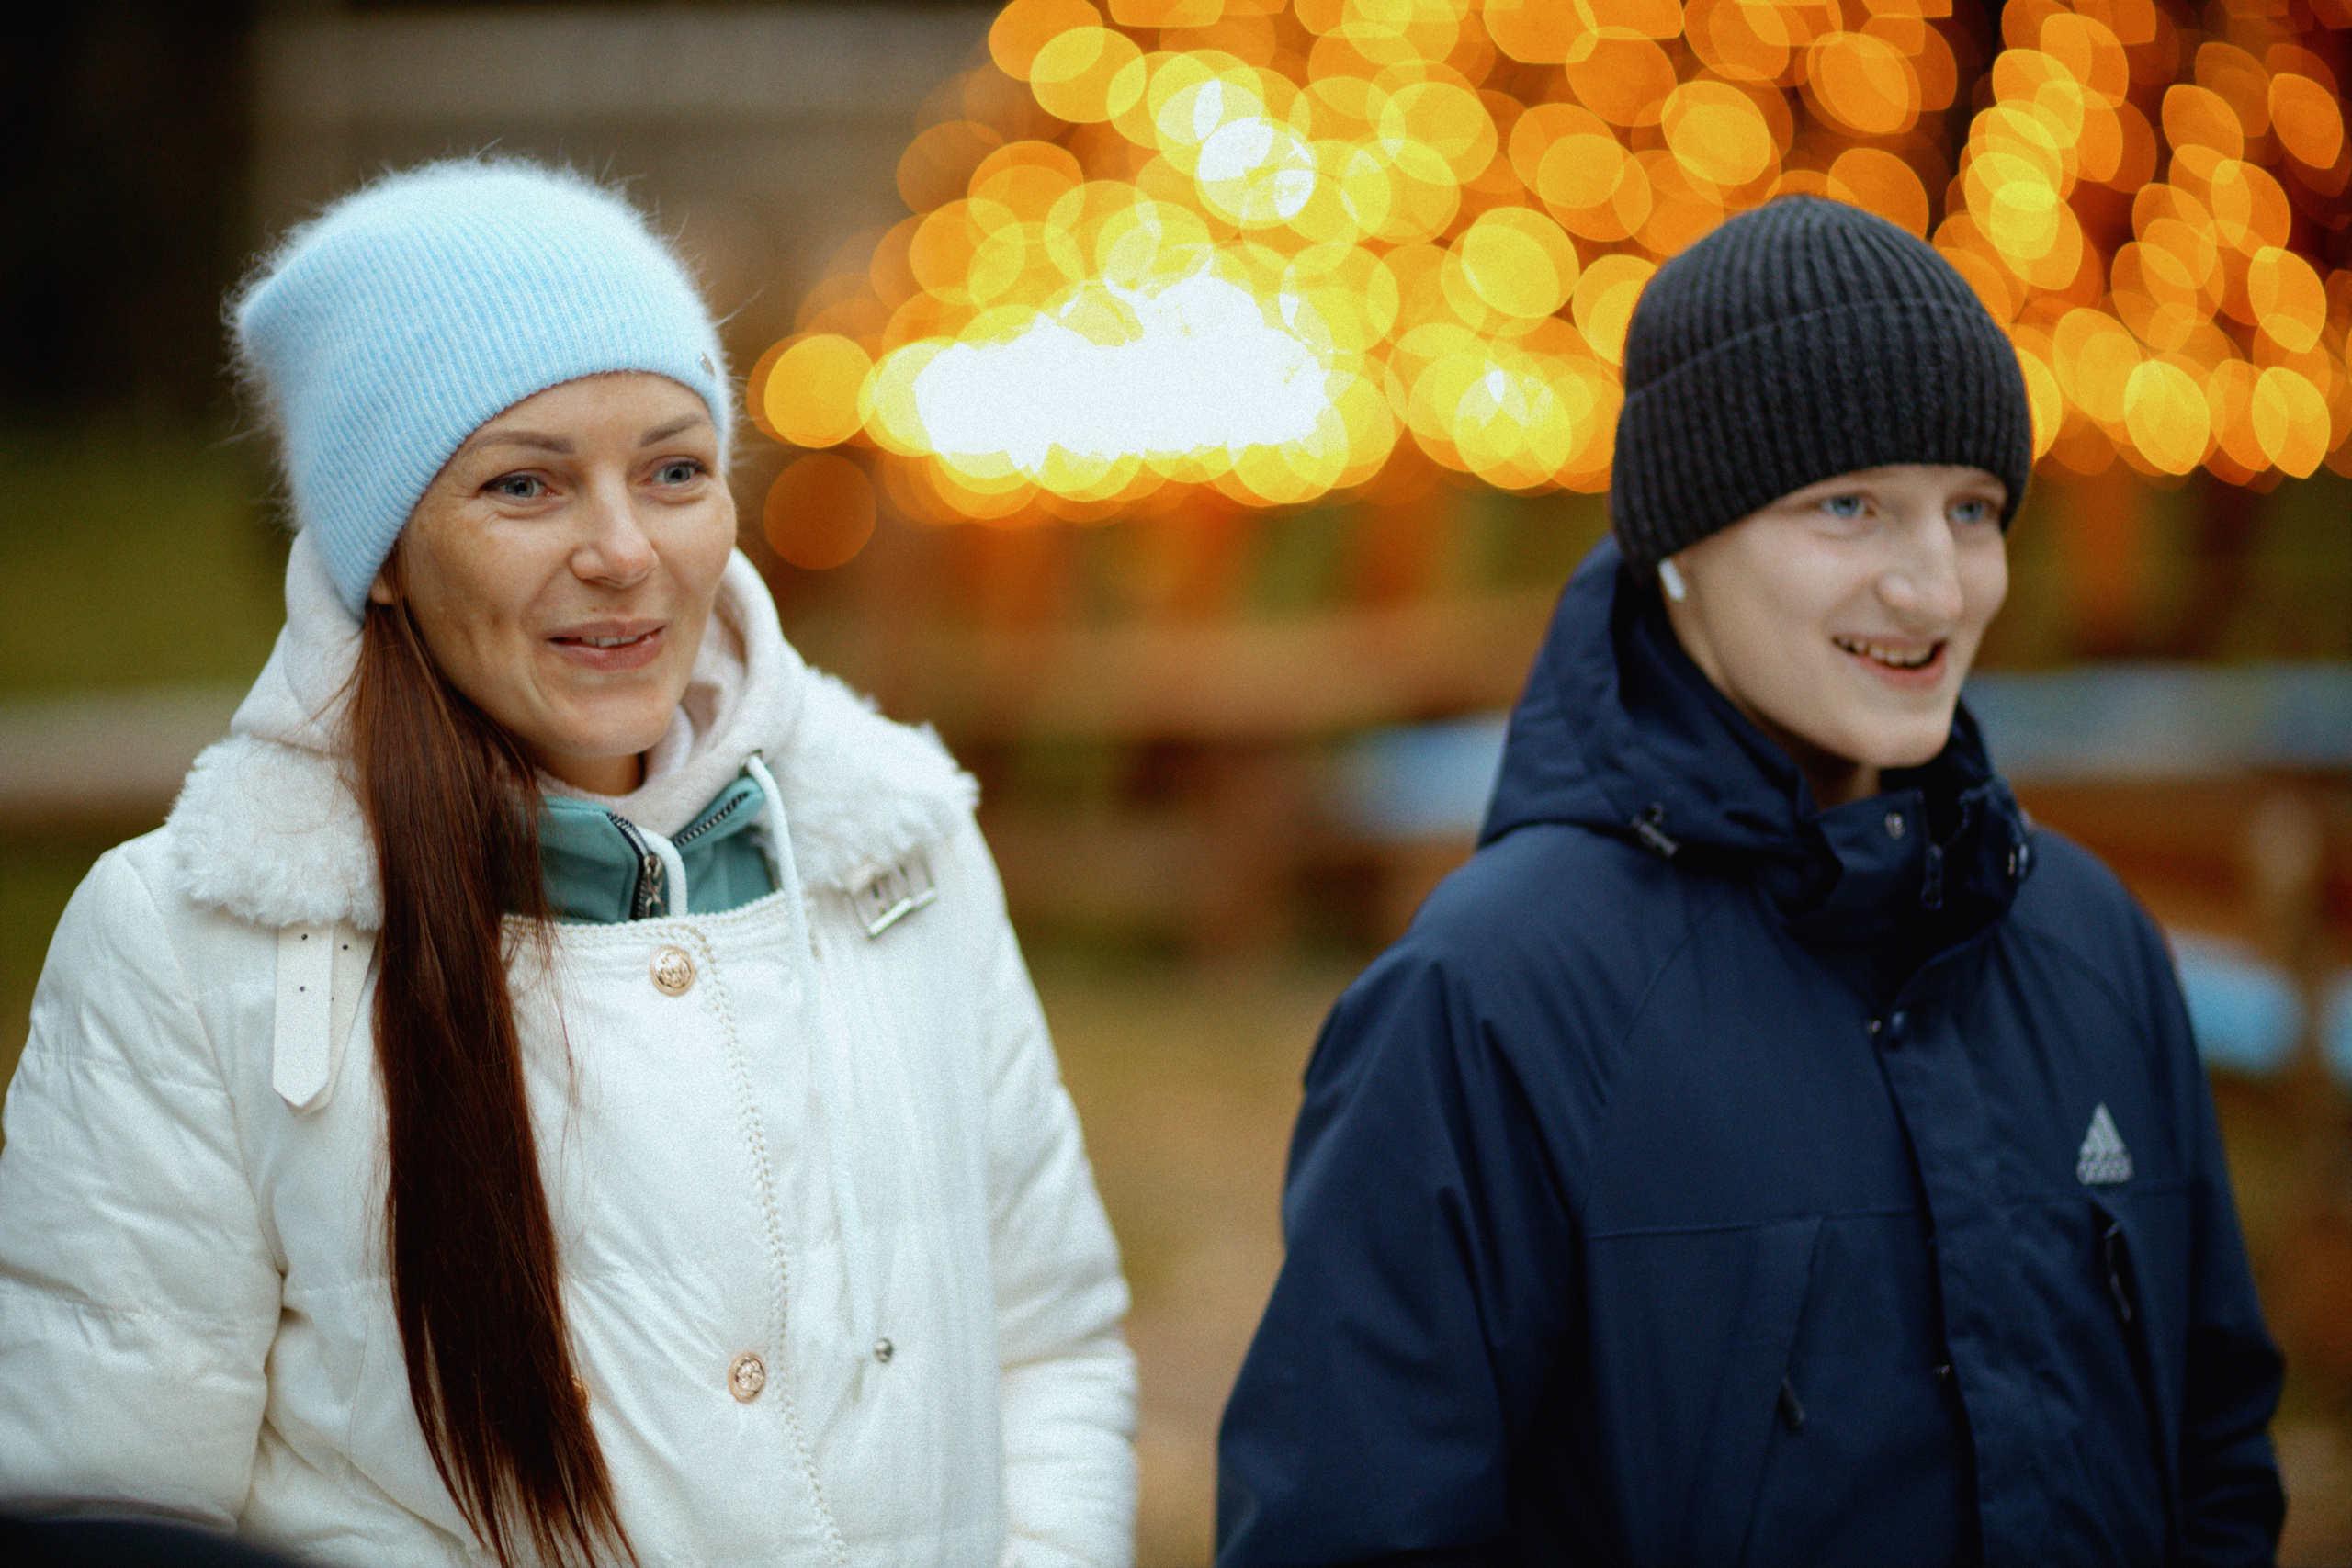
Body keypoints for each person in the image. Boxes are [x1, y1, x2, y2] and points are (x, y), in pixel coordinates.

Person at [0, 161, 1136, 1568]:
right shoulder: (194, 943)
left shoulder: (894, 848)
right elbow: (109, 1513)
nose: (623, 551)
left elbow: (1054, 1351)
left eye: (674, 470)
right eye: (525, 485)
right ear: (387, 558)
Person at [1216, 197, 2284, 1566]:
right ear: (1681, 542)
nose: (1933, 589)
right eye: (1847, 507)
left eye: (1972, 510)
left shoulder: (2089, 944)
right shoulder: (1489, 1002)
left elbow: (2217, 1458)